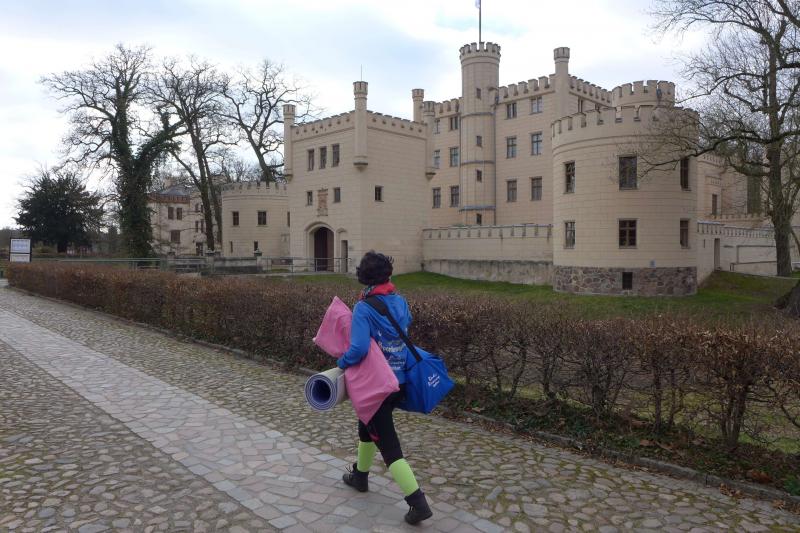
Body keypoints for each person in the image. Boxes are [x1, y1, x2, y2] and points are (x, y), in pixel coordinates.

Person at [336, 251, 433, 525]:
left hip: (376, 385)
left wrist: (341, 362)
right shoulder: (399, 300)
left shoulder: (364, 308)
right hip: (398, 381)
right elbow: (406, 326)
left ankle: (418, 503)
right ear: (387, 274)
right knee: (366, 427)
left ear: (364, 277)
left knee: (389, 448)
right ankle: (360, 476)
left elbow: (358, 349)